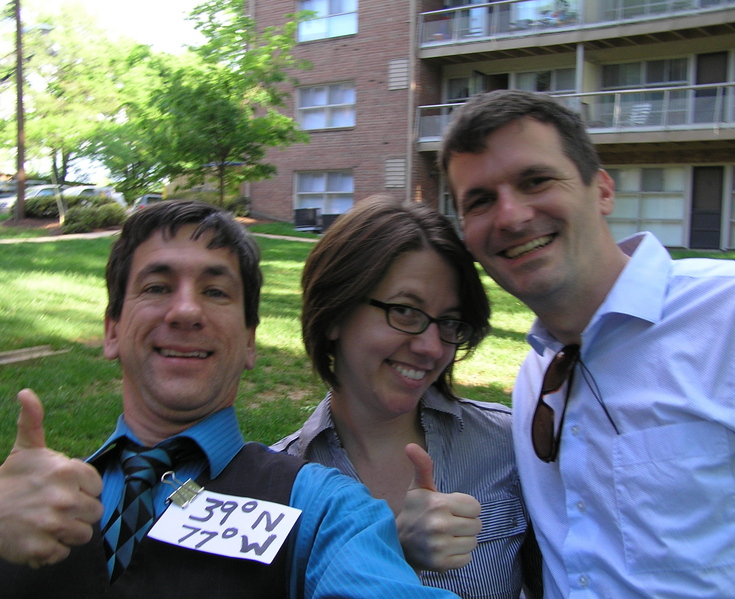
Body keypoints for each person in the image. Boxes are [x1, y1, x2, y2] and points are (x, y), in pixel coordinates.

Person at [439, 89, 735, 598]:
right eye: (479, 201)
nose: (511, 217)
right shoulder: (533, 383)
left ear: (602, 190)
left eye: (535, 180)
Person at [0, 200, 459, 598]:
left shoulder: (325, 510)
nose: (185, 311)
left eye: (215, 291)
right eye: (157, 287)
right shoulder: (19, 500)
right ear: (112, 330)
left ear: (250, 342)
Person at [272, 195, 541, 599]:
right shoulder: (280, 483)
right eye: (405, 312)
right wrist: (390, 553)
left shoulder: (507, 444)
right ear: (335, 314)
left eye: (448, 322)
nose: (432, 347)